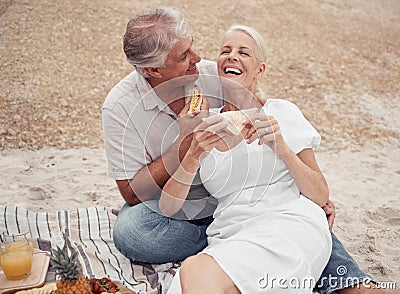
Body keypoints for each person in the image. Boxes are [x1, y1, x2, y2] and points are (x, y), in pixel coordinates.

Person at [102, 5, 382, 293]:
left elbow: (253, 99)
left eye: (193, 48)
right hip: (201, 207)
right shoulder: (120, 107)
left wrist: (310, 190)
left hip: (255, 207)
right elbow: (131, 193)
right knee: (131, 232)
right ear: (152, 69)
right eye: (184, 56)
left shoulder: (216, 74)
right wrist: (187, 144)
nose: (198, 59)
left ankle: (346, 279)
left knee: (289, 209)